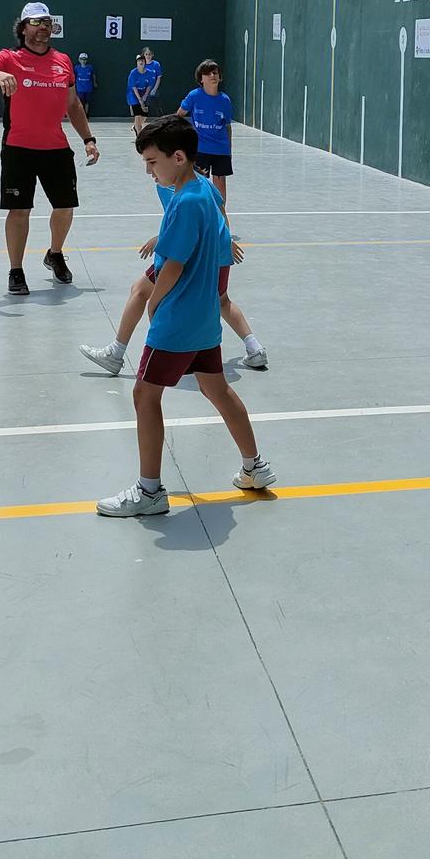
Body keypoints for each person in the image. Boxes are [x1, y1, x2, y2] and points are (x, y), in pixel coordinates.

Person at [96, 115, 273, 517]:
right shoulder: (207, 192)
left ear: (178, 157)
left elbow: (173, 264)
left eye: (153, 162)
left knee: (144, 394)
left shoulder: (184, 201)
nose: (148, 170)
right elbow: (222, 244)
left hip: (176, 322)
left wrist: (155, 303)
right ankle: (254, 466)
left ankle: (149, 491)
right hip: (205, 319)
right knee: (218, 390)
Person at [80, 163, 269, 375]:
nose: (148, 170)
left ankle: (116, 353)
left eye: (153, 161)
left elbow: (184, 226)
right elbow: (219, 210)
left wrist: (160, 239)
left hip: (194, 254)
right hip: (219, 251)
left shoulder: (170, 185)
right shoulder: (202, 181)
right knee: (221, 299)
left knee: (140, 290)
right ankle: (254, 348)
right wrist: (224, 238)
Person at [0, 2, 100, 297]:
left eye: (48, 22)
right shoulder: (10, 58)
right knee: (19, 210)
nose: (43, 26)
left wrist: (88, 139)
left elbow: (73, 105)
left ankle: (55, 253)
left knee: (65, 207)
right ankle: (16, 270)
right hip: (18, 148)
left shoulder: (63, 60)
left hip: (56, 148)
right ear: (23, 27)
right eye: (36, 21)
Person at [176, 59, 236, 198]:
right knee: (197, 185)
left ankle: (219, 217)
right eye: (208, 73)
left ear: (220, 77)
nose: (212, 76)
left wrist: (229, 150)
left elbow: (227, 126)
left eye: (215, 73)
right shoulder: (194, 96)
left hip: (221, 150)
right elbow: (179, 116)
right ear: (201, 79)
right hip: (200, 150)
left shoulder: (225, 100)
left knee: (219, 188)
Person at [125, 51, 158, 132]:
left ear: (145, 62)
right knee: (138, 114)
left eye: (142, 60)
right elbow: (134, 87)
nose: (141, 62)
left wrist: (145, 96)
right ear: (136, 62)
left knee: (144, 114)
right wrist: (140, 99)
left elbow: (150, 86)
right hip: (133, 94)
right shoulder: (133, 73)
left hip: (144, 93)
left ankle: (136, 126)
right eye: (139, 60)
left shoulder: (149, 73)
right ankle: (139, 134)